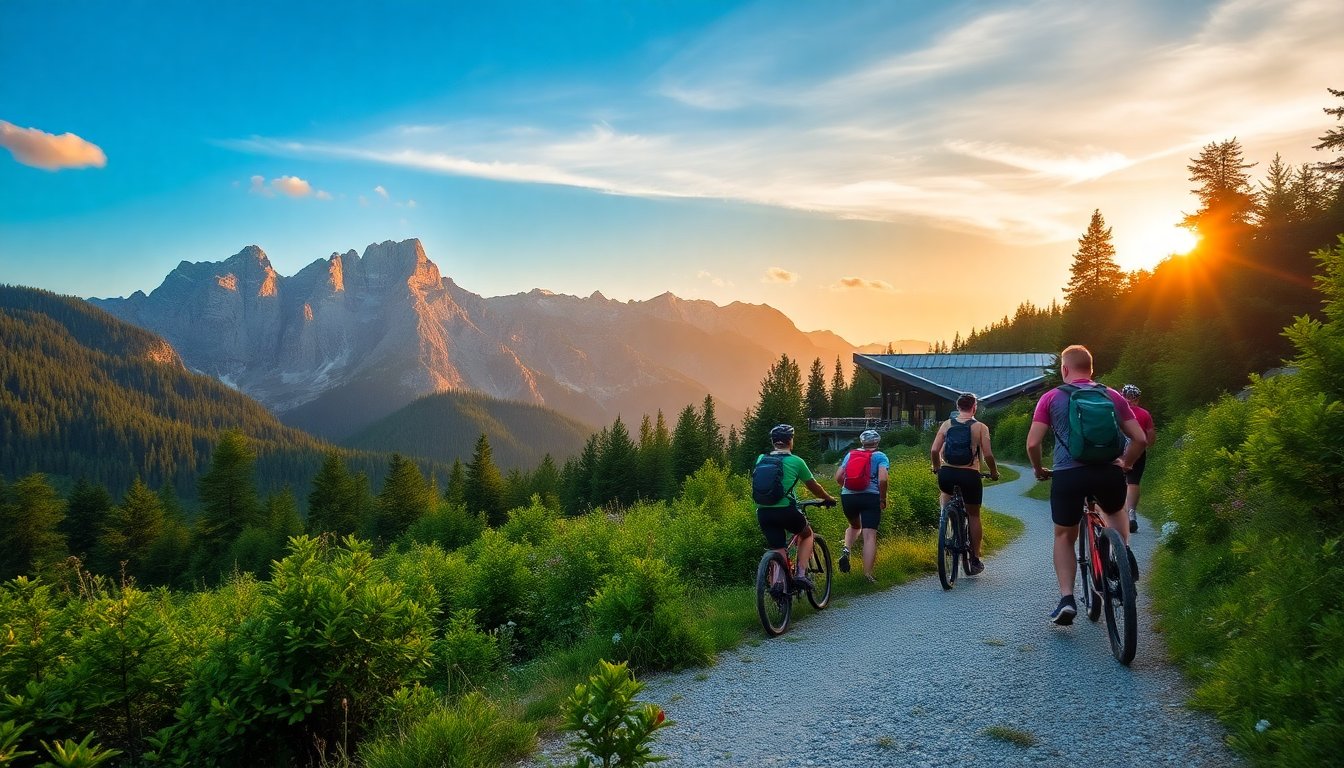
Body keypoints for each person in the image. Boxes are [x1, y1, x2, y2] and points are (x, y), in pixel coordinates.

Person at [1027, 345, 1147, 625]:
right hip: (1108, 472)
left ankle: (1067, 599)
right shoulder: (1112, 395)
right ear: (1091, 369)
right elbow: (1140, 439)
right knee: (1115, 510)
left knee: (1063, 536)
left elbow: (1033, 443)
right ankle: (1122, 555)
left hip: (1069, 475)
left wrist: (1038, 469)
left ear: (1064, 369)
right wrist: (1125, 463)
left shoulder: (1050, 397)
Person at [755, 424, 837, 592]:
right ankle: (800, 574)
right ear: (790, 441)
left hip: (763, 512)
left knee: (778, 548)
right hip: (785, 511)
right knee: (806, 534)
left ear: (773, 442)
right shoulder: (797, 461)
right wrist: (828, 498)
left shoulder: (761, 459)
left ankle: (778, 584)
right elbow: (814, 487)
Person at [929, 393, 999, 575]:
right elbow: (988, 454)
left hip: (947, 474)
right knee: (973, 515)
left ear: (958, 407)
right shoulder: (980, 427)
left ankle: (946, 520)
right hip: (970, 475)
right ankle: (975, 559)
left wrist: (936, 467)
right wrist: (993, 472)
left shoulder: (946, 424)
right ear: (974, 407)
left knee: (945, 495)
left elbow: (934, 450)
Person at [832, 429, 890, 582]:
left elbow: (838, 477)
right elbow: (883, 479)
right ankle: (867, 575)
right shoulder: (881, 456)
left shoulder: (851, 455)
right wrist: (882, 498)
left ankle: (846, 549)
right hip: (870, 497)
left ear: (862, 442)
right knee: (869, 536)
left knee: (854, 526)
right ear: (877, 442)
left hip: (848, 497)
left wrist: (847, 489)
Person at [1121, 384, 1156, 533]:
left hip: (1117, 452)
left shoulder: (1116, 412)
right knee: (1133, 482)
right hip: (1137, 451)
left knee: (1116, 481)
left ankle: (1116, 515)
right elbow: (1151, 437)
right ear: (1137, 399)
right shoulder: (1144, 414)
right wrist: (1144, 447)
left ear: (1121, 397)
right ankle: (1131, 514)